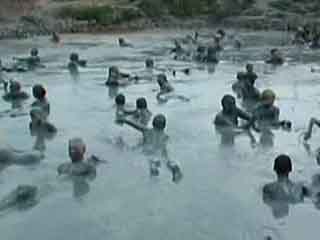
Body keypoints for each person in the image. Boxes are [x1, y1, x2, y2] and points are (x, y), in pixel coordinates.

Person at [118, 114, 183, 182]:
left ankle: (154, 169)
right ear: (164, 126)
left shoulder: (146, 130)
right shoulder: (166, 136)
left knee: (151, 160)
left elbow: (134, 124)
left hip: (148, 151)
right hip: (160, 152)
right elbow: (166, 147)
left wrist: (123, 119)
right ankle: (173, 167)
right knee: (166, 160)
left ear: (152, 123)